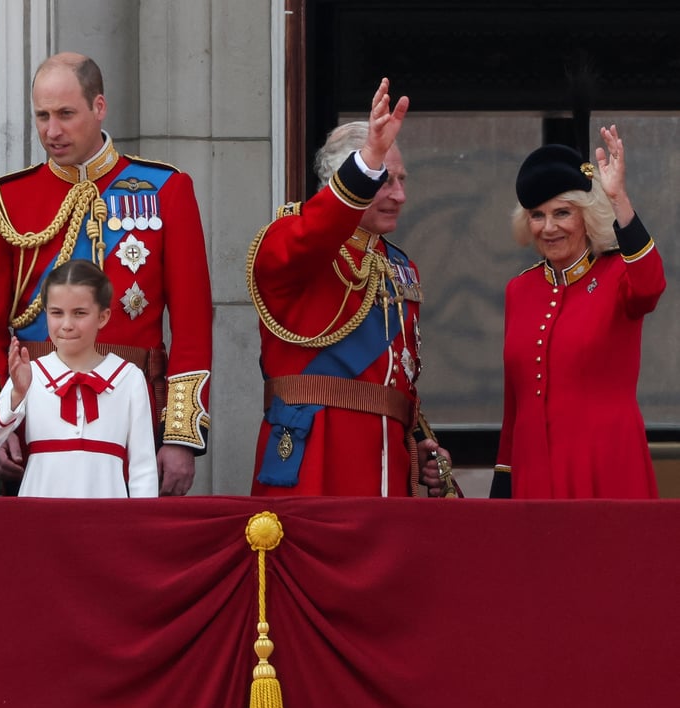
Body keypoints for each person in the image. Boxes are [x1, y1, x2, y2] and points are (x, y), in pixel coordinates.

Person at [0, 52, 212, 496]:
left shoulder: (165, 189)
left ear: (99, 107)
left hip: (132, 411)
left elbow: (193, 325)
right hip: (35, 416)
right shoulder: (5, 200)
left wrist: (180, 437)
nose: (52, 131)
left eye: (65, 114)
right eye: (42, 116)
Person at [246, 78, 454, 497]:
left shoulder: (400, 265)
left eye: (401, 180)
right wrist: (369, 159)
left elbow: (396, 381)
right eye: (384, 181)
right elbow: (318, 231)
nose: (400, 195)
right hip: (316, 456)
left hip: (389, 468)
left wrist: (420, 446)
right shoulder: (289, 239)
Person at [491, 127, 665, 499]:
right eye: (537, 215)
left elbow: (651, 286)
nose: (549, 227)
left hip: (607, 468)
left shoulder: (619, 273)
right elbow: (514, 403)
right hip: (534, 476)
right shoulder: (519, 290)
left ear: (586, 216)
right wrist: (503, 482)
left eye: (562, 213)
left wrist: (619, 200)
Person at [0, 260, 157, 497]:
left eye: (80, 313)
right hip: (40, 520)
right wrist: (17, 394)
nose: (67, 325)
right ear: (46, 313)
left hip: (108, 522)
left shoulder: (129, 378)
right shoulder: (31, 374)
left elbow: (143, 469)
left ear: (103, 317)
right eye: (57, 313)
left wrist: (140, 528)